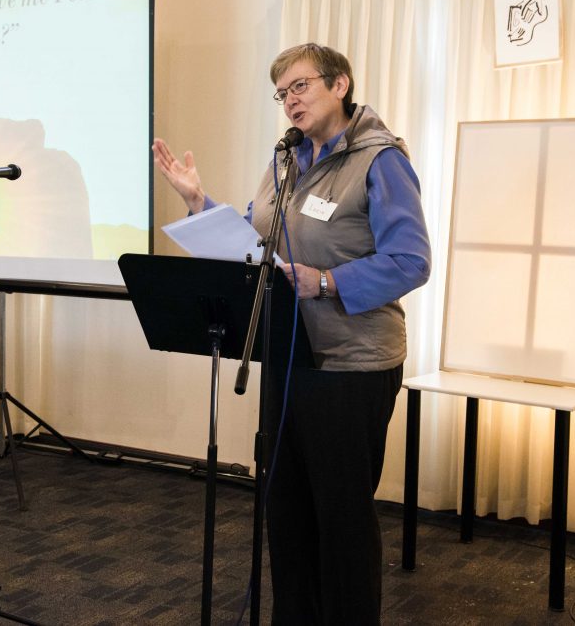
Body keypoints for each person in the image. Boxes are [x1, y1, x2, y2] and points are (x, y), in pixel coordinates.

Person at [153, 43, 431, 625]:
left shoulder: (381, 161)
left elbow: (412, 262)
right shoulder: (285, 159)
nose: (290, 101)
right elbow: (258, 235)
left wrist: (327, 281)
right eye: (282, 93)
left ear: (340, 84)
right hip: (287, 353)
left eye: (300, 86)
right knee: (287, 512)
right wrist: (199, 203)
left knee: (340, 516)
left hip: (351, 364)